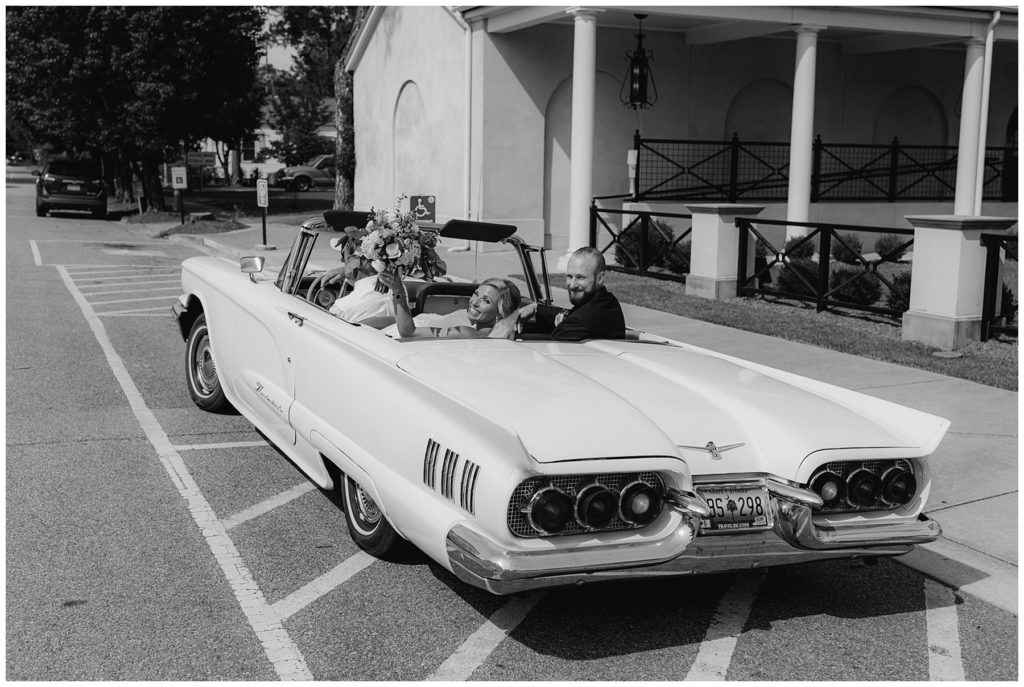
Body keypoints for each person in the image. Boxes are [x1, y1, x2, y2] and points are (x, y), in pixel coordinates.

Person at [381, 267, 522, 339]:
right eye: (476, 294)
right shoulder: (494, 335)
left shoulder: (467, 333)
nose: (474, 303)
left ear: (500, 312)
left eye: (486, 301)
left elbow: (408, 332)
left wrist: (398, 290)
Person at [523, 246, 625, 340]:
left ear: (600, 278)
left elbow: (549, 346)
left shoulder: (581, 322)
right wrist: (536, 308)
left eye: (580, 277)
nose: (572, 285)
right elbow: (571, 315)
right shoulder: (608, 302)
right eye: (570, 276)